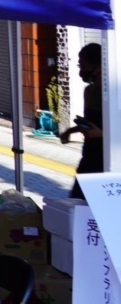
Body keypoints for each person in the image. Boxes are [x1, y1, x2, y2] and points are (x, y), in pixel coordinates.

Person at [62, 43, 103, 198]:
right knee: (79, 202)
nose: (81, 70)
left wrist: (101, 134)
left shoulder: (115, 94)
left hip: (110, 161)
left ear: (99, 66)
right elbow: (90, 121)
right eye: (80, 64)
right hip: (89, 157)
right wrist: (72, 130)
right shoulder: (89, 91)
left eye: (83, 65)